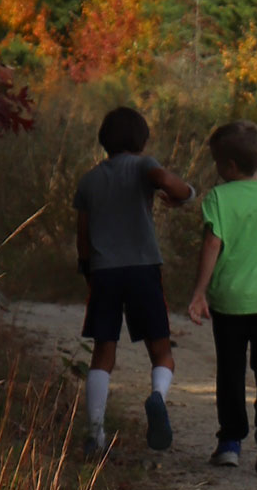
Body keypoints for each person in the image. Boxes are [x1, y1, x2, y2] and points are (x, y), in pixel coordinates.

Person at [72, 106, 194, 458]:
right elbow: (174, 185)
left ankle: (95, 431)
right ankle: (157, 396)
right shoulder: (143, 166)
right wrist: (182, 194)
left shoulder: (90, 180)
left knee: (103, 352)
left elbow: (82, 234)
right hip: (142, 270)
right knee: (161, 350)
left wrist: (87, 270)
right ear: (142, 140)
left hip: (105, 272)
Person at [185, 119, 257, 476]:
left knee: (231, 370)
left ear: (229, 166)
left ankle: (231, 442)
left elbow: (212, 244)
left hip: (231, 302)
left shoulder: (219, 197)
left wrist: (200, 292)